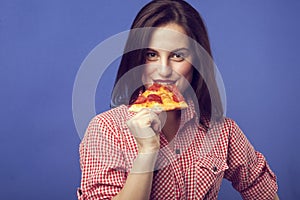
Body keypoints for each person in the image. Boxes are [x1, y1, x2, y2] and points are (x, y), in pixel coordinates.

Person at [77, 0, 279, 199]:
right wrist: (147, 152)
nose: (163, 70)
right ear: (137, 59)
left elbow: (260, 187)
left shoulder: (222, 131)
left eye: (177, 56)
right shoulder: (106, 129)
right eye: (151, 55)